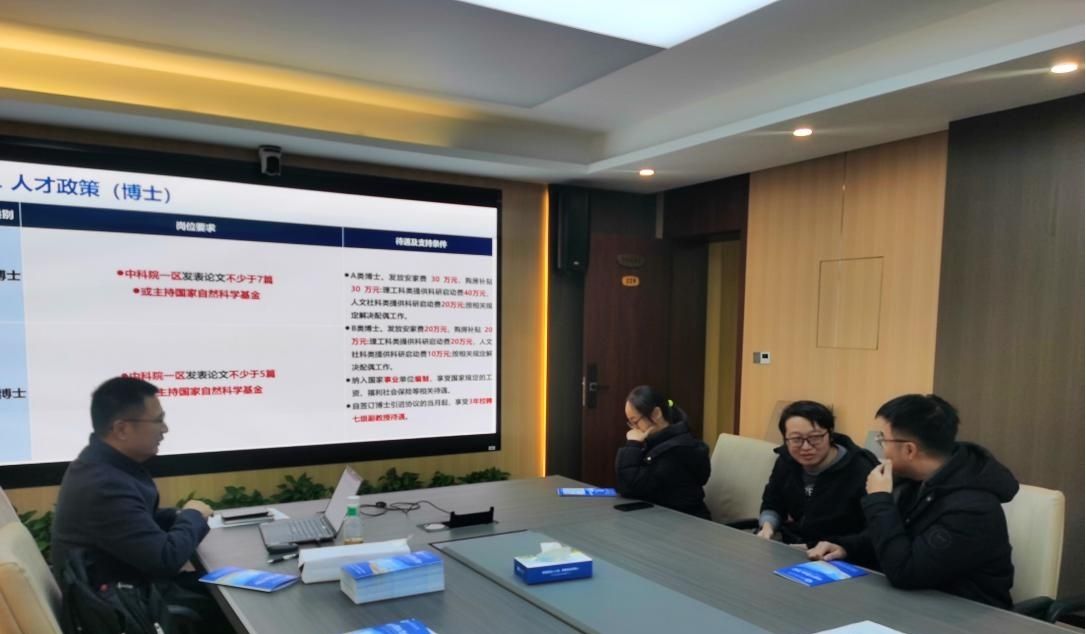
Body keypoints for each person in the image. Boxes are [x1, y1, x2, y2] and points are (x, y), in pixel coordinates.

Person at [806, 394, 1018, 608]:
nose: (880, 448)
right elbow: (893, 536)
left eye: (882, 439)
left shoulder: (972, 508)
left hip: (967, 614)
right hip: (914, 603)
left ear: (909, 449)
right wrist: (847, 547)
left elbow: (905, 572)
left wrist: (879, 499)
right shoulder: (917, 480)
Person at [52, 376, 229, 629]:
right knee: (239, 600)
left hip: (130, 591)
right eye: (158, 420)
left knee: (229, 583)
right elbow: (165, 560)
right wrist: (191, 516)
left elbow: (135, 521)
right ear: (122, 429)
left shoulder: (101, 465)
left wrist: (178, 516)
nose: (165, 429)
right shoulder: (103, 485)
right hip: (128, 609)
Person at [756, 400, 878, 546]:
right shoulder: (786, 461)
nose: (806, 447)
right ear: (785, 440)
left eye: (815, 438)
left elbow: (875, 531)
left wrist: (842, 546)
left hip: (840, 553)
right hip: (793, 547)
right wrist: (768, 526)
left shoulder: (861, 468)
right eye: (796, 439)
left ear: (830, 434)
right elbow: (772, 503)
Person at [615, 385, 711, 519]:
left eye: (635, 421)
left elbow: (631, 488)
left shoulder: (676, 450)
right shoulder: (658, 441)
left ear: (656, 414)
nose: (634, 429)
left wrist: (632, 445)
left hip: (686, 523)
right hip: (666, 519)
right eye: (631, 423)